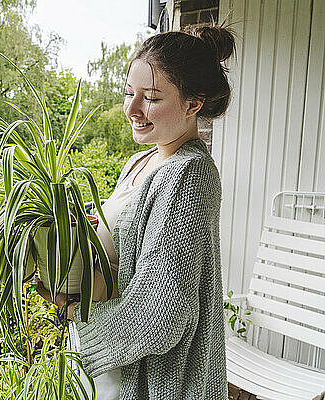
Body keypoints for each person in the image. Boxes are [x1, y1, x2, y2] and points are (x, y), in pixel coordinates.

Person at [37, 24, 236, 399]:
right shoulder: (140, 162)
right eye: (129, 93)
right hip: (111, 365)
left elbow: (160, 316)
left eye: (152, 98)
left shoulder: (188, 174)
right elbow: (125, 261)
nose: (131, 109)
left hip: (146, 377)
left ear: (193, 103)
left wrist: (76, 313)